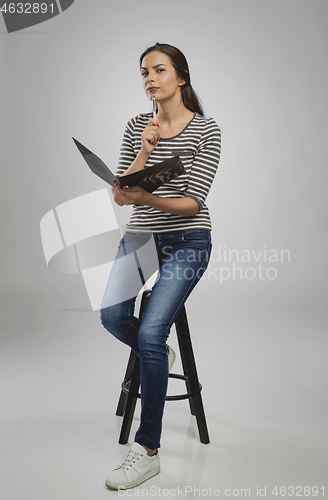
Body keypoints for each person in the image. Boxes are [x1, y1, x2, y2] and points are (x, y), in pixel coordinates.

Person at [100, 42, 221, 490]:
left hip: (189, 240)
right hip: (141, 236)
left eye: (159, 69)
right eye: (144, 72)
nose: (150, 78)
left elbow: (192, 203)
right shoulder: (138, 126)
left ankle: (146, 449)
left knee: (151, 332)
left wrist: (147, 197)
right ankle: (156, 355)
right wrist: (146, 150)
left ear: (181, 77)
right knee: (111, 316)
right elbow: (120, 192)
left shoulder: (208, 130)